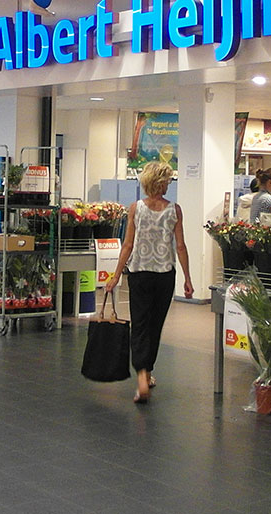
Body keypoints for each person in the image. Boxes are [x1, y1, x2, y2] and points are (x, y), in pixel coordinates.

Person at [106, 162, 193, 404]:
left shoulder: (135, 209)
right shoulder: (175, 210)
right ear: (159, 182)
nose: (169, 184)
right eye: (167, 180)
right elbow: (181, 246)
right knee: (155, 325)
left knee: (140, 323)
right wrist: (187, 278)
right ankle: (148, 371)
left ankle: (143, 375)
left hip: (139, 273)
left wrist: (115, 276)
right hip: (165, 274)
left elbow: (127, 245)